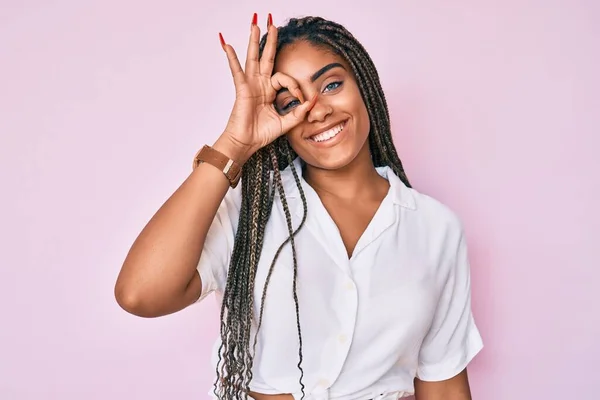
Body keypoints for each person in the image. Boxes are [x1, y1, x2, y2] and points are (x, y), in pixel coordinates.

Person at [114, 13, 483, 400]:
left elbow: (443, 385)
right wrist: (234, 145)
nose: (317, 110)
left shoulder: (436, 228)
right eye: (291, 102)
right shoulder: (251, 209)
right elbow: (140, 293)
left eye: (332, 84)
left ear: (364, 86)